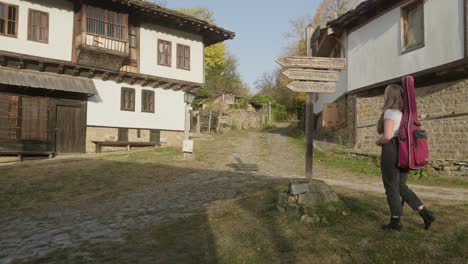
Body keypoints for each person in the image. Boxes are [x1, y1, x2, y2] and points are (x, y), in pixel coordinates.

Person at [375, 84, 435, 231]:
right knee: (401, 186)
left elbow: (388, 136)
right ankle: (425, 213)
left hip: (392, 149)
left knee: (391, 185)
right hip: (405, 151)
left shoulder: (390, 112)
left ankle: (395, 222)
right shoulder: (405, 114)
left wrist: (378, 141)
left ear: (389, 96)